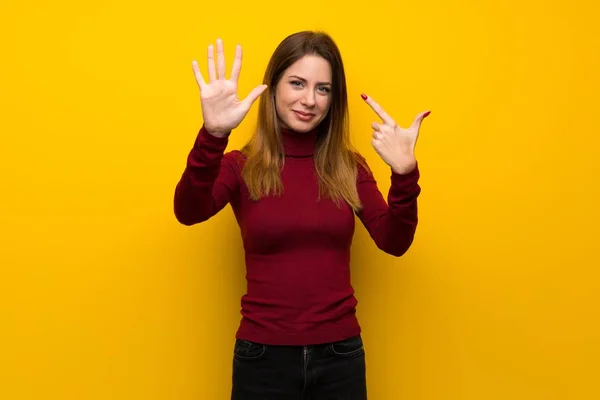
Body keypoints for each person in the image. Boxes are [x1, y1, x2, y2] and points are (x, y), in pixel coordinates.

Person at [174, 31, 430, 400]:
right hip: (262, 358)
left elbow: (394, 241)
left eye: (323, 89)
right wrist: (213, 135)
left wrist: (405, 176)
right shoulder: (241, 166)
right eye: (297, 83)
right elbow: (188, 211)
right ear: (273, 85)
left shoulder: (347, 167)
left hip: (340, 355)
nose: (309, 100)